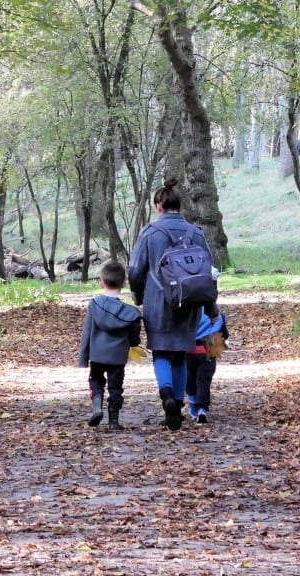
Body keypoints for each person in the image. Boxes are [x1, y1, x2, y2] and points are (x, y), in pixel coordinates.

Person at [128, 178, 219, 431]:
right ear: (180, 206)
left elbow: (135, 270)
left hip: (158, 303)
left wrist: (138, 298)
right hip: (190, 304)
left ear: (158, 206)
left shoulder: (150, 233)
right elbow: (209, 274)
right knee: (180, 354)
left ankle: (167, 395)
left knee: (161, 352)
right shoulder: (196, 233)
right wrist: (212, 309)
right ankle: (177, 404)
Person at [78, 260, 143, 431]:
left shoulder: (95, 305)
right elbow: (134, 337)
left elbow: (87, 332)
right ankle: (114, 420)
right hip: (118, 356)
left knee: (95, 380)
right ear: (124, 283)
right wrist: (134, 343)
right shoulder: (130, 313)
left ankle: (97, 408)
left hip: (97, 354)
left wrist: (83, 358)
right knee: (116, 388)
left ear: (101, 283)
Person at [187, 309, 227, 424]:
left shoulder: (185, 311)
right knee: (203, 381)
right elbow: (225, 334)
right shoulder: (216, 314)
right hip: (208, 351)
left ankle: (193, 403)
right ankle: (202, 409)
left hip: (187, 352)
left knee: (189, 379)